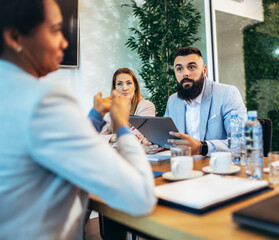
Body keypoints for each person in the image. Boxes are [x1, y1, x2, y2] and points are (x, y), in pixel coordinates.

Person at [0, 0, 156, 239]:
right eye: (55, 30)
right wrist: (122, 125)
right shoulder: (44, 99)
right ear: (14, 38)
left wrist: (96, 115)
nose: (64, 41)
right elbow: (140, 197)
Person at [164, 46, 247, 156]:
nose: (185, 73)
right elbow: (166, 138)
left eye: (191, 67)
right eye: (179, 69)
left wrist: (202, 147)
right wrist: (154, 145)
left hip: (217, 167)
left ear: (204, 71)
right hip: (184, 167)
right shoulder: (173, 100)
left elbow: (241, 142)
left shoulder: (227, 94)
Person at [97, 68, 156, 135]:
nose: (125, 88)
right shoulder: (111, 110)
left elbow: (139, 137)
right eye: (119, 84)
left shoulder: (146, 106)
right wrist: (113, 138)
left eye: (129, 83)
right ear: (115, 88)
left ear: (135, 86)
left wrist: (111, 139)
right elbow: (98, 137)